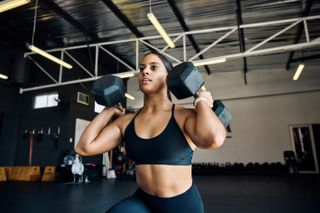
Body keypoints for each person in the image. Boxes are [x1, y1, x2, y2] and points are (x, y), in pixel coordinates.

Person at [75, 51, 226, 213]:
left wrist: (201, 99)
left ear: (168, 76)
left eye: (153, 67)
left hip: (182, 205)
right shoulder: (126, 122)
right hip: (144, 202)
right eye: (142, 68)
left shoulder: (183, 116)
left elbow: (214, 139)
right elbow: (84, 147)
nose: (145, 71)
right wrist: (108, 110)